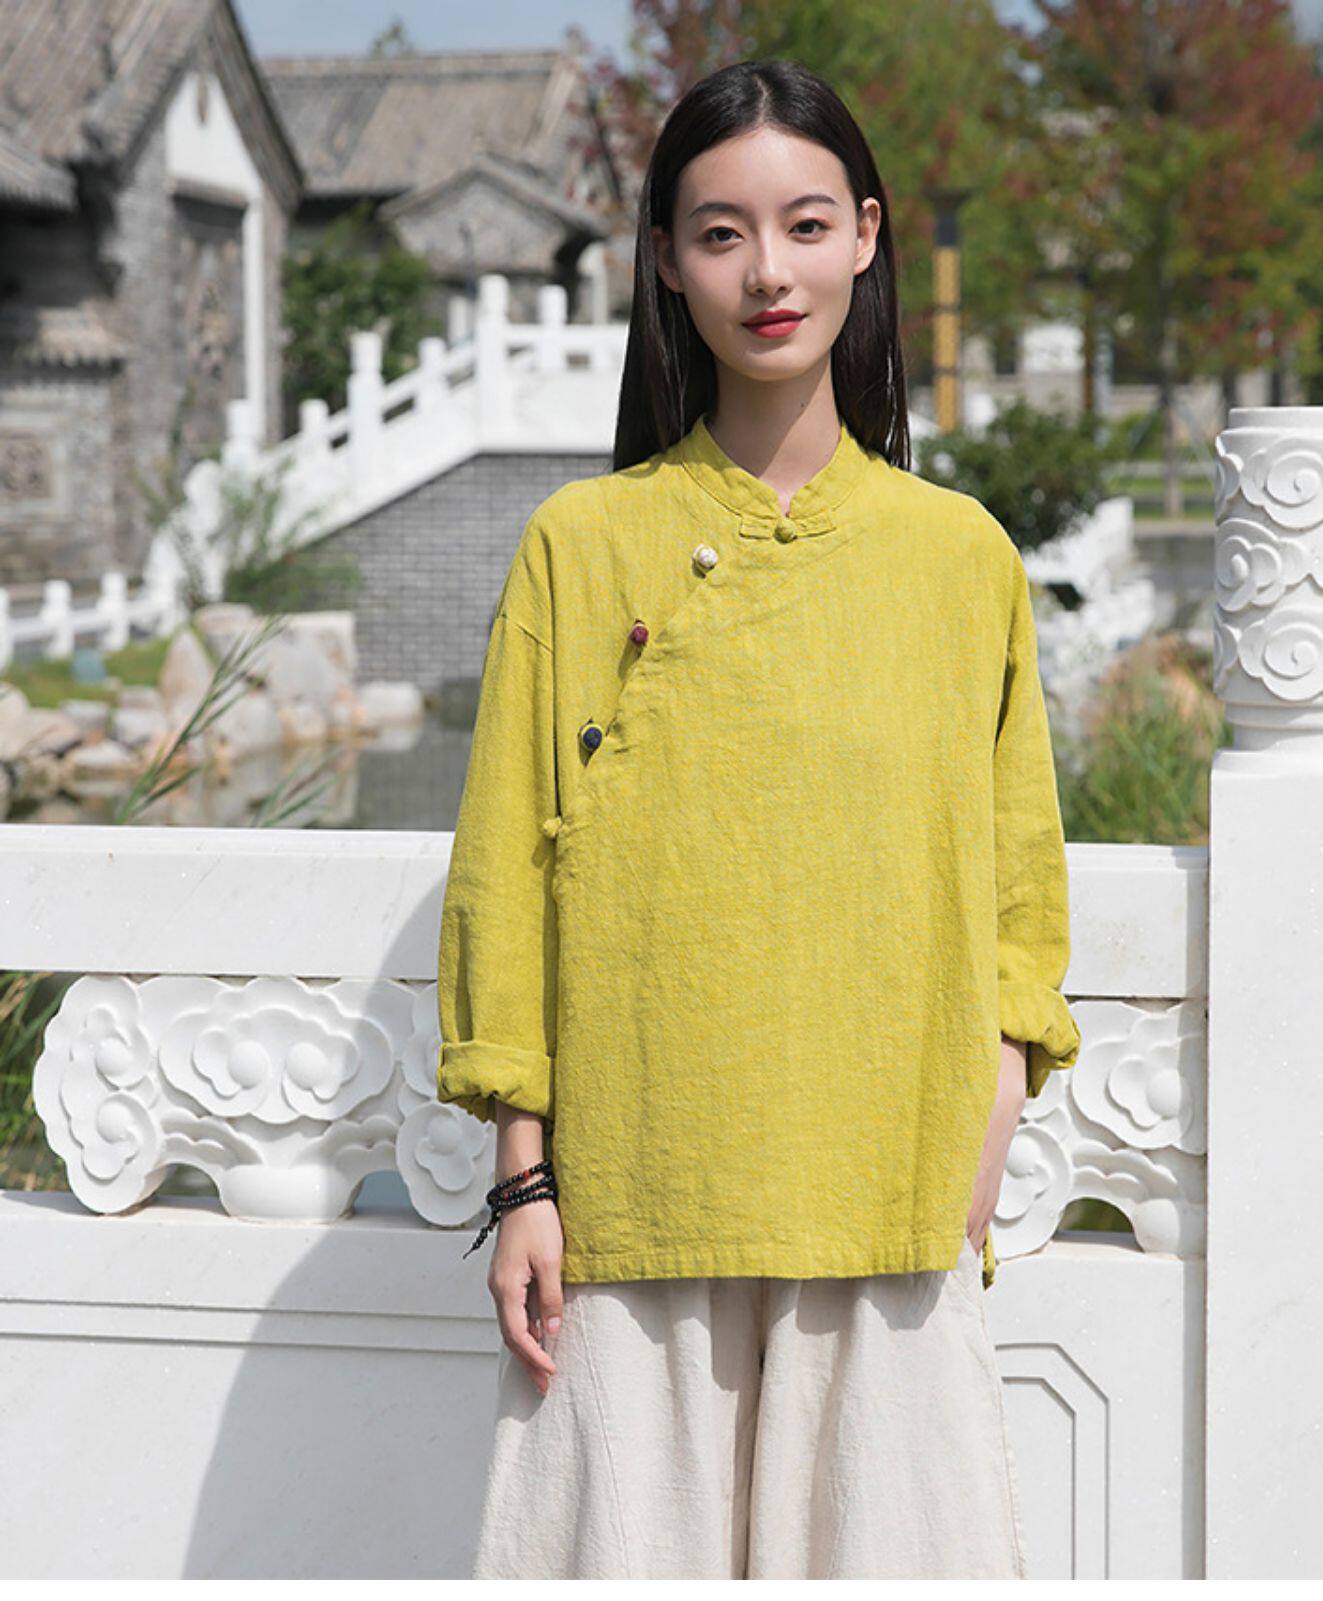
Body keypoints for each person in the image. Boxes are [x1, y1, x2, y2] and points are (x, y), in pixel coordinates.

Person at [435, 57, 1081, 1581]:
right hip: (633, 1201)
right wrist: (524, 1177)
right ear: (666, 260)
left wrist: (993, 1099)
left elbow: (1019, 881)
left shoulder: (959, 557)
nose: (768, 273)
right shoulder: (580, 545)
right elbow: (507, 870)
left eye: (804, 224)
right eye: (720, 233)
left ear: (866, 236)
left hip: (892, 1193)